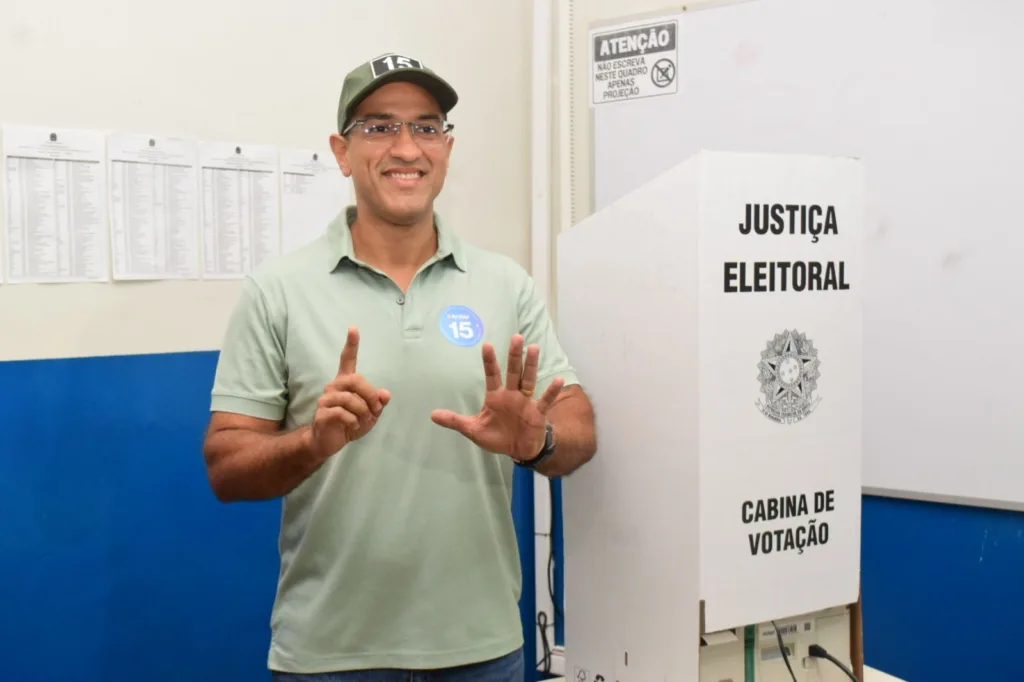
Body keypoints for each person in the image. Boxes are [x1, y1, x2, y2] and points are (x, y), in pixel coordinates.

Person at [202, 52, 598, 681]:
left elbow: (578, 429)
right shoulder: (276, 290)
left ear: (446, 147)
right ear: (341, 150)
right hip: (331, 655)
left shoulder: (505, 285)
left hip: (482, 647)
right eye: (380, 126)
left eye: (427, 126)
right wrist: (313, 441)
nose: (407, 146)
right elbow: (226, 466)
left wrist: (537, 442)